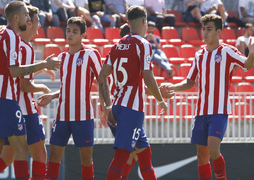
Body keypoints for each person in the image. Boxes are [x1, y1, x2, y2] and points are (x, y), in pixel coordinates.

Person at [161, 14, 254, 180]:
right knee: (201, 155)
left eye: (209, 29)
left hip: (219, 110)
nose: (205, 33)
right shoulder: (199, 55)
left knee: (213, 149)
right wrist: (172, 87)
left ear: (219, 31)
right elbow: (189, 82)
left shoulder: (227, 51)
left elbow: (247, 64)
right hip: (201, 111)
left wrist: (252, 53)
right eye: (203, 29)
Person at [0, 1, 60, 179]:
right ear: (16, 17)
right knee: (21, 151)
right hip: (6, 100)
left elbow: (6, 65)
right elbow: (15, 72)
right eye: (26, 15)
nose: (28, 19)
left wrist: (39, 68)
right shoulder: (14, 38)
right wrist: (43, 64)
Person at [98, 5, 167, 180]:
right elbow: (148, 77)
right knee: (122, 157)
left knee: (144, 155)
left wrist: (107, 105)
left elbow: (101, 76)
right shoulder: (143, 44)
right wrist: (160, 100)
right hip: (132, 110)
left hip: (118, 107)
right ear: (144, 22)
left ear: (128, 22)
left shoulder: (117, 44)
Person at [37, 16, 103, 180]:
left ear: (83, 35)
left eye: (75, 31)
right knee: (53, 158)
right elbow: (68, 87)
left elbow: (103, 82)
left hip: (83, 116)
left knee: (86, 160)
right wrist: (52, 96)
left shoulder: (91, 54)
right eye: (68, 30)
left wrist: (104, 107)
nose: (70, 34)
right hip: (62, 117)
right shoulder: (62, 58)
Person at [18, 5, 56, 179]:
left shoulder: (16, 45)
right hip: (24, 109)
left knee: (8, 155)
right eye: (37, 20)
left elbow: (18, 73)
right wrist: (44, 88)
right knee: (39, 154)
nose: (40, 24)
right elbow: (24, 86)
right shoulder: (25, 47)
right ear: (29, 22)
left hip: (12, 108)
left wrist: (41, 70)